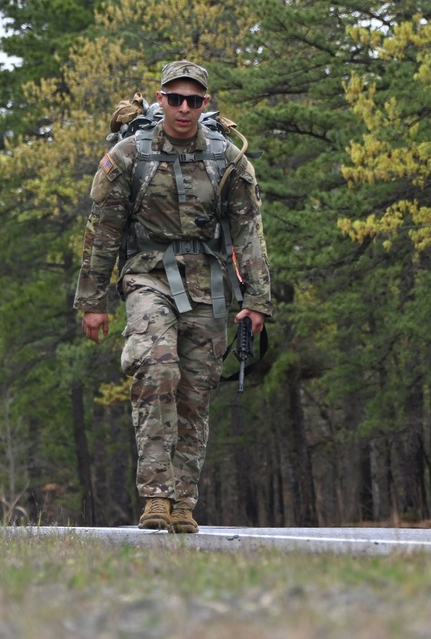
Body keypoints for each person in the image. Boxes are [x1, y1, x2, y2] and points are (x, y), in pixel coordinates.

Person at [74, 60, 273, 533]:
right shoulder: (130, 156)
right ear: (160, 100)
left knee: (196, 390)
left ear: (205, 103)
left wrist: (258, 300)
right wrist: (92, 301)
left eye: (194, 100)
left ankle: (183, 501)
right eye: (175, 98)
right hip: (147, 275)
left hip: (209, 282)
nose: (184, 108)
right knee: (156, 366)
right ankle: (156, 496)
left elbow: (249, 230)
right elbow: (102, 231)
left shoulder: (228, 159)